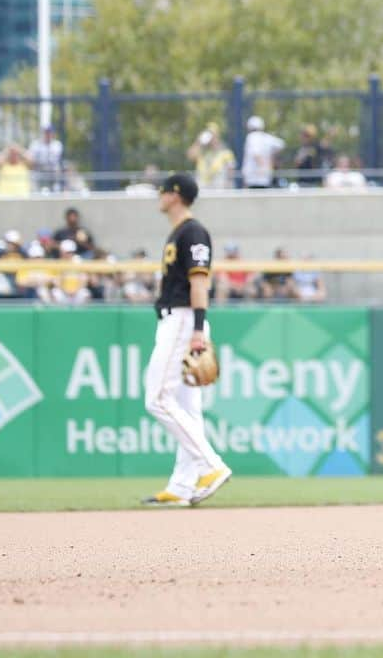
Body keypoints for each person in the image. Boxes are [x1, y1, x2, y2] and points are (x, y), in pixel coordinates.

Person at [141, 172, 231, 508]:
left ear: (176, 195)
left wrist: (197, 328)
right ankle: (182, 486)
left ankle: (212, 465)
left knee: (158, 399)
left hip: (182, 320)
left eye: (163, 191)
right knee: (188, 410)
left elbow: (199, 283)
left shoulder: (193, 231)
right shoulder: (179, 231)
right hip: (177, 320)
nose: (160, 196)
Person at [186, 123, 236, 190]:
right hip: (202, 186)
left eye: (213, 135)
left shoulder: (225, 151)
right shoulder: (202, 151)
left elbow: (231, 170)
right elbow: (190, 156)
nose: (211, 138)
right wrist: (199, 142)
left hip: (219, 187)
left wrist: (228, 184)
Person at [241, 116, 285, 190]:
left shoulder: (251, 137)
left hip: (253, 178)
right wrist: (270, 162)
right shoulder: (267, 138)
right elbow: (281, 144)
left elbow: (256, 154)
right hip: (266, 178)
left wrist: (263, 166)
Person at [28, 124, 64, 192]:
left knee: (57, 174)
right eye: (46, 132)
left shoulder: (57, 144)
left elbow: (53, 159)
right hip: (39, 171)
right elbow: (32, 159)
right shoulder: (35, 144)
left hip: (52, 172)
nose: (47, 134)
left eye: (49, 132)